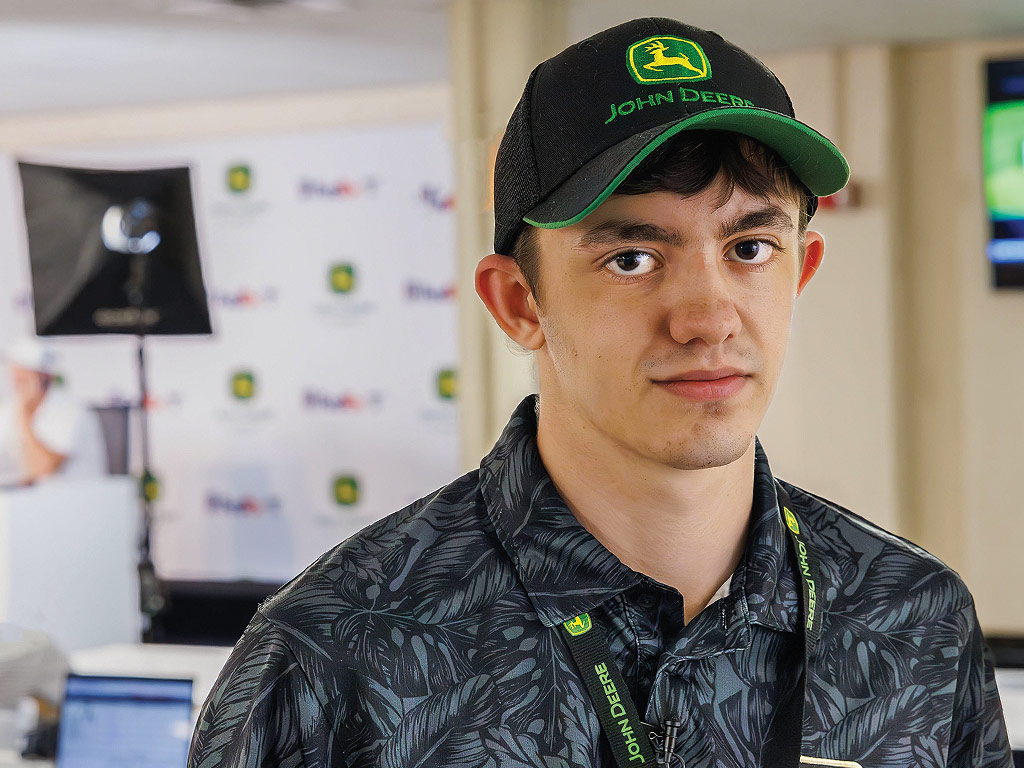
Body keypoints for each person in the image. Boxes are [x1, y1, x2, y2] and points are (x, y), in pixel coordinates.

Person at [189, 17, 1012, 768]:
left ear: (803, 271)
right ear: (517, 302)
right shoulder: (337, 653)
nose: (707, 318)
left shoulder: (912, 617)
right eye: (632, 258)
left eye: (751, 248)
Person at [0, 337, 106, 487]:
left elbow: (42, 469)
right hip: (31, 504)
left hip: (74, 503)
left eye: (23, 373)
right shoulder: (9, 409)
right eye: (15, 371)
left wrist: (24, 416)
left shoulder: (71, 411)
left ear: (44, 375)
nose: (15, 379)